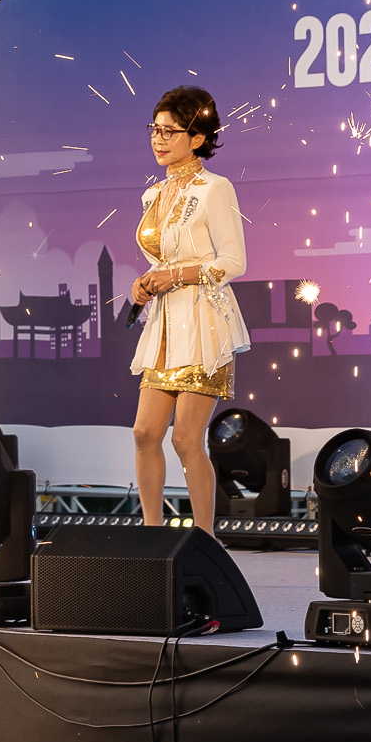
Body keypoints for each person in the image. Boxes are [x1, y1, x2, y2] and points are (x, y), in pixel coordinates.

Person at [128, 86, 250, 535]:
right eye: (154, 131)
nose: (158, 140)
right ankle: (154, 537)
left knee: (184, 439)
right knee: (144, 433)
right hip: (163, 326)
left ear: (196, 138)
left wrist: (176, 276)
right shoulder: (153, 196)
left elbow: (233, 261)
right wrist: (146, 281)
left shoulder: (216, 189)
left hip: (204, 322)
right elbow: (162, 260)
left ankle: (205, 540)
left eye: (169, 132)